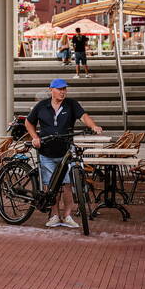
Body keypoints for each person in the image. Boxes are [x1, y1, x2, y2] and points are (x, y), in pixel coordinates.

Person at [23, 78, 103, 228]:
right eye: (59, 89)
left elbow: (84, 116)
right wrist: (35, 137)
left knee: (67, 184)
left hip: (65, 152)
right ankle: (54, 215)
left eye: (64, 89)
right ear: (51, 90)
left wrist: (94, 126)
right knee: (50, 186)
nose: (63, 92)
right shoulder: (42, 105)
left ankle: (67, 216)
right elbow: (28, 122)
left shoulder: (71, 104)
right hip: (46, 152)